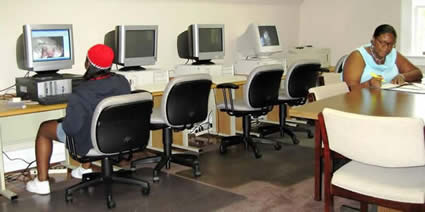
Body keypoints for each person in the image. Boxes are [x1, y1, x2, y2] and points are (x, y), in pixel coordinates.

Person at [26, 44, 131, 195]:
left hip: (89, 139)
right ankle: (84, 169)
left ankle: (41, 182)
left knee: (44, 129)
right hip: (114, 135)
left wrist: (66, 118)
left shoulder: (82, 90)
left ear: (88, 63)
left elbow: (71, 129)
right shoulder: (122, 81)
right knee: (89, 119)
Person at [343, 24, 423, 90]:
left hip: (385, 100)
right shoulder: (358, 56)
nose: (386, 47)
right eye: (381, 42)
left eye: (390, 44)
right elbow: (348, 88)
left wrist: (402, 76)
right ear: (373, 39)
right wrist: (369, 83)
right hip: (358, 104)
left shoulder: (393, 54)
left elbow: (417, 73)